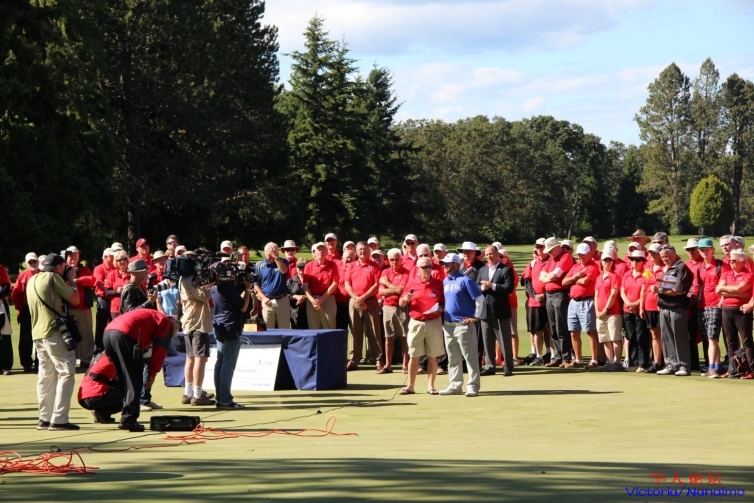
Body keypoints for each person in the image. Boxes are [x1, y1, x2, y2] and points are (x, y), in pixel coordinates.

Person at [103, 309, 180, 431]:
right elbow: (160, 350)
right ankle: (129, 419)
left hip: (108, 332)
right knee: (134, 380)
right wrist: (152, 373)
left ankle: (104, 410)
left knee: (122, 378)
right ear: (173, 326)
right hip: (126, 334)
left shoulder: (152, 316)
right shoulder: (166, 323)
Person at [27, 254, 80, 430]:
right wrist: (71, 279)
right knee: (66, 371)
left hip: (37, 334)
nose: (65, 269)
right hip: (54, 332)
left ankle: (44, 418)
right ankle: (59, 419)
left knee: (46, 376)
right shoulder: (53, 277)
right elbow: (75, 299)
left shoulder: (32, 280)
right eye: (64, 266)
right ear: (58, 267)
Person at [398, 257, 445, 395]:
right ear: (418, 269)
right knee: (414, 355)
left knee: (433, 356)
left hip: (434, 322)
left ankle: (431, 386)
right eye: (424, 267)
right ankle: (410, 386)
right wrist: (405, 299)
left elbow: (444, 304)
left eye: (429, 266)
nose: (427, 270)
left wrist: (440, 309)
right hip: (416, 322)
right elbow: (401, 302)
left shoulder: (438, 284)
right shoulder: (412, 283)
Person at [439, 253, 483, 397]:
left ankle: (473, 386)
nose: (445, 265)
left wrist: (475, 316)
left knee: (470, 357)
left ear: (456, 264)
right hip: (448, 325)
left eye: (448, 263)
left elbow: (479, 298)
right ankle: (455, 385)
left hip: (463, 325)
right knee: (453, 358)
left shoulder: (465, 280)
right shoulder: (445, 281)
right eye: (444, 263)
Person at [210, 273, 254, 409]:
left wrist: (242, 286)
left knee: (220, 363)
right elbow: (243, 307)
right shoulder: (227, 287)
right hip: (230, 328)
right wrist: (248, 289)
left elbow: (232, 298)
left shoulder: (214, 287)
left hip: (219, 326)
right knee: (228, 365)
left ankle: (220, 398)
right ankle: (225, 400)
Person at [180, 257, 216, 405]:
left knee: (190, 358)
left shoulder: (182, 278)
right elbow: (204, 296)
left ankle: (188, 392)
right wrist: (207, 284)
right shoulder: (190, 280)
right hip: (197, 323)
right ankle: (197, 394)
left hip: (188, 322)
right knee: (199, 359)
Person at [655, 245, 693, 376]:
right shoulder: (665, 269)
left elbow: (679, 290)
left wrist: (660, 290)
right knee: (667, 337)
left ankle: (683, 366)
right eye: (662, 257)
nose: (664, 259)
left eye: (667, 256)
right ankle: (670, 364)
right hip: (664, 307)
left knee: (679, 337)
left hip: (678, 307)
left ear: (674, 254)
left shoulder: (681, 267)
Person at [345, 242, 383, 371]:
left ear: (369, 251)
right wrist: (356, 298)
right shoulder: (351, 266)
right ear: (356, 252)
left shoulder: (374, 266)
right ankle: (354, 360)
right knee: (355, 331)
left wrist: (364, 297)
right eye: (360, 249)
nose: (362, 252)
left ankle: (378, 359)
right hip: (354, 301)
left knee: (374, 331)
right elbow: (347, 283)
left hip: (370, 301)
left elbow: (376, 285)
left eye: (365, 249)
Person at [478, 246, 515, 376]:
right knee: (487, 340)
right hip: (485, 311)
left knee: (504, 340)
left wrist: (492, 286)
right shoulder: (482, 270)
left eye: (491, 254)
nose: (489, 256)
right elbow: (476, 286)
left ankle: (508, 366)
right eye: (487, 254)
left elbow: (509, 288)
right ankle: (490, 366)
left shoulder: (506, 269)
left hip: (500, 310)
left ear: (497, 254)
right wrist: (482, 288)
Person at [562, 243, 600, 370]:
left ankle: (594, 360)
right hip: (573, 302)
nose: (580, 257)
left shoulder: (593, 266)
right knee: (573, 332)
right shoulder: (575, 267)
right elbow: (564, 282)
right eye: (578, 254)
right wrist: (576, 276)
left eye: (583, 254)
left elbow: (585, 282)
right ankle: (578, 360)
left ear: (589, 254)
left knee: (590, 331)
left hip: (587, 301)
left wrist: (573, 280)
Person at [717, 249, 754, 378]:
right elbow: (718, 290)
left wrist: (727, 290)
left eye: (734, 261)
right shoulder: (726, 274)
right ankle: (733, 369)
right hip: (726, 309)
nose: (730, 263)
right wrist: (737, 293)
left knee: (746, 340)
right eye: (730, 261)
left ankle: (752, 369)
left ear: (742, 262)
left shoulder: (748, 275)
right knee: (730, 341)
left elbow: (740, 288)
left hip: (741, 310)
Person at [540, 237, 575, 367]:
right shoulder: (551, 259)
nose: (549, 253)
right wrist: (549, 277)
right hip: (549, 295)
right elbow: (541, 277)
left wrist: (548, 277)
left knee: (561, 327)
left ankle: (566, 357)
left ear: (557, 247)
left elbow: (556, 275)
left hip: (560, 294)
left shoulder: (566, 257)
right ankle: (557, 356)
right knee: (553, 327)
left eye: (550, 250)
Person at [695, 238, 726, 378]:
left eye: (707, 249)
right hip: (702, 306)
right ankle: (716, 366)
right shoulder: (700, 267)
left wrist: (721, 301)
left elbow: (725, 284)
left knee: (712, 338)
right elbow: (697, 286)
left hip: (715, 304)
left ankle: (712, 368)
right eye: (702, 250)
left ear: (713, 250)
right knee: (708, 339)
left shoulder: (720, 265)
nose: (704, 252)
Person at [64, 246, 98, 369]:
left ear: (79, 255)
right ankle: (72, 359)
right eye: (70, 255)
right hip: (68, 308)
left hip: (84, 308)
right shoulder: (63, 269)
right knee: (70, 335)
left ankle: (85, 360)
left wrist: (77, 280)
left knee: (86, 334)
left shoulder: (84, 269)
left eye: (75, 254)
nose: (73, 257)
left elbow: (92, 280)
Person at [379, 248, 411, 374]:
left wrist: (387, 283)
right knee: (389, 337)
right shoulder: (385, 271)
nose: (394, 262)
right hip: (387, 307)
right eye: (392, 259)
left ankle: (405, 365)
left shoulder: (406, 273)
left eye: (397, 259)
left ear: (401, 259)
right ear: (388, 260)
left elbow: (401, 290)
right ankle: (388, 365)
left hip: (402, 307)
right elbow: (381, 291)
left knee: (404, 337)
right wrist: (394, 289)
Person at [595, 250, 624, 372]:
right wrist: (597, 311)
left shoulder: (614, 276)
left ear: (613, 262)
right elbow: (596, 295)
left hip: (613, 312)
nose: (607, 262)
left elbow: (613, 294)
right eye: (605, 260)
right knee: (605, 338)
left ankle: (617, 362)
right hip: (600, 314)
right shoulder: (599, 277)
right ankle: (610, 361)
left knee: (615, 337)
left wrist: (605, 309)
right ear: (601, 262)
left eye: (609, 260)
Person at [621, 250, 650, 371]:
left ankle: (643, 364)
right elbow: (622, 291)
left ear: (643, 261)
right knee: (631, 336)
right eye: (632, 259)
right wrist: (629, 304)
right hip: (627, 310)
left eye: (637, 260)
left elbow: (646, 291)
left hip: (640, 310)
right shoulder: (626, 274)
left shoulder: (646, 273)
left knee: (641, 337)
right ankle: (633, 363)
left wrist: (635, 304)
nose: (634, 262)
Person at [12, 253, 40, 373]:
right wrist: (20, 308)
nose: (33, 264)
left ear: (38, 262)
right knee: (25, 338)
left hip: (40, 309)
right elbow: (15, 294)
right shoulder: (22, 276)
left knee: (41, 336)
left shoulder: (43, 274)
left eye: (34, 261)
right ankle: (26, 364)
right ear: (27, 264)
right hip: (26, 309)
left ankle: (39, 363)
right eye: (30, 262)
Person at [254, 242, 291, 329]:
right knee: (268, 328)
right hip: (267, 301)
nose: (271, 258)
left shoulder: (283, 261)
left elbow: (284, 271)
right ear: (265, 253)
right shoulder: (260, 265)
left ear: (278, 253)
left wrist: (275, 257)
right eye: (269, 255)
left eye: (273, 254)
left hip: (282, 300)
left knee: (284, 328)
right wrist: (263, 298)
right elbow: (256, 284)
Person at [303, 243, 339, 330]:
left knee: (329, 328)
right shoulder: (308, 266)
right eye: (318, 250)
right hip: (312, 300)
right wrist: (313, 301)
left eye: (323, 250)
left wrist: (322, 298)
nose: (321, 252)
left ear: (327, 252)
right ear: (314, 252)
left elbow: (335, 283)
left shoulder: (332, 265)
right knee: (314, 328)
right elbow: (305, 286)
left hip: (328, 298)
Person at [77, 353, 121, 424]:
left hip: (82, 397)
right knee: (127, 397)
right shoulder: (115, 358)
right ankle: (103, 412)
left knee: (117, 388)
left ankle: (102, 414)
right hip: (95, 393)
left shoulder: (100, 357)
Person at [526, 240, 551, 366]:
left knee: (550, 330)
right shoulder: (532, 263)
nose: (539, 249)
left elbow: (554, 281)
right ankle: (539, 356)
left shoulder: (551, 262)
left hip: (548, 301)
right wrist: (535, 295)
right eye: (537, 247)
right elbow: (527, 282)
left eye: (541, 246)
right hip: (534, 302)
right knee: (537, 330)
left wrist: (544, 295)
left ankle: (551, 354)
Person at [684, 238, 704, 371]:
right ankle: (693, 363)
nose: (690, 252)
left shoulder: (704, 263)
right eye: (688, 249)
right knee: (690, 334)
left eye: (693, 249)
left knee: (705, 334)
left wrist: (696, 297)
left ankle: (710, 364)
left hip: (702, 302)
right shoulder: (686, 264)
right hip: (689, 303)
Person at [644, 243, 665, 372]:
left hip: (661, 305)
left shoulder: (665, 268)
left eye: (654, 253)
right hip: (649, 305)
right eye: (650, 253)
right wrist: (642, 306)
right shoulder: (648, 268)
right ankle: (657, 362)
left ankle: (666, 361)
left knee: (664, 334)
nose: (651, 255)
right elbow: (644, 287)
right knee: (654, 334)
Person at [93, 248, 116, 354]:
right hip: (103, 299)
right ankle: (98, 348)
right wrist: (112, 286)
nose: (114, 257)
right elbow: (100, 283)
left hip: (113, 298)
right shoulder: (99, 268)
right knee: (101, 324)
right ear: (105, 257)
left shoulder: (115, 268)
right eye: (112, 256)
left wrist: (108, 284)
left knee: (113, 323)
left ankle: (110, 348)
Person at [105, 251, 131, 319]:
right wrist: (117, 291)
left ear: (127, 260)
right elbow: (106, 292)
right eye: (119, 260)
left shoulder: (132, 274)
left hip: (130, 307)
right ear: (116, 262)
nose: (122, 261)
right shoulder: (112, 274)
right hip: (116, 308)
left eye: (124, 259)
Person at [288, 258, 308, 329]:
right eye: (299, 267)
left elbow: (316, 294)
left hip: (308, 311)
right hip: (295, 312)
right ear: (296, 268)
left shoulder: (312, 280)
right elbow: (285, 295)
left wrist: (304, 297)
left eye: (303, 267)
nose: (301, 269)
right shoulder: (291, 281)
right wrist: (295, 296)